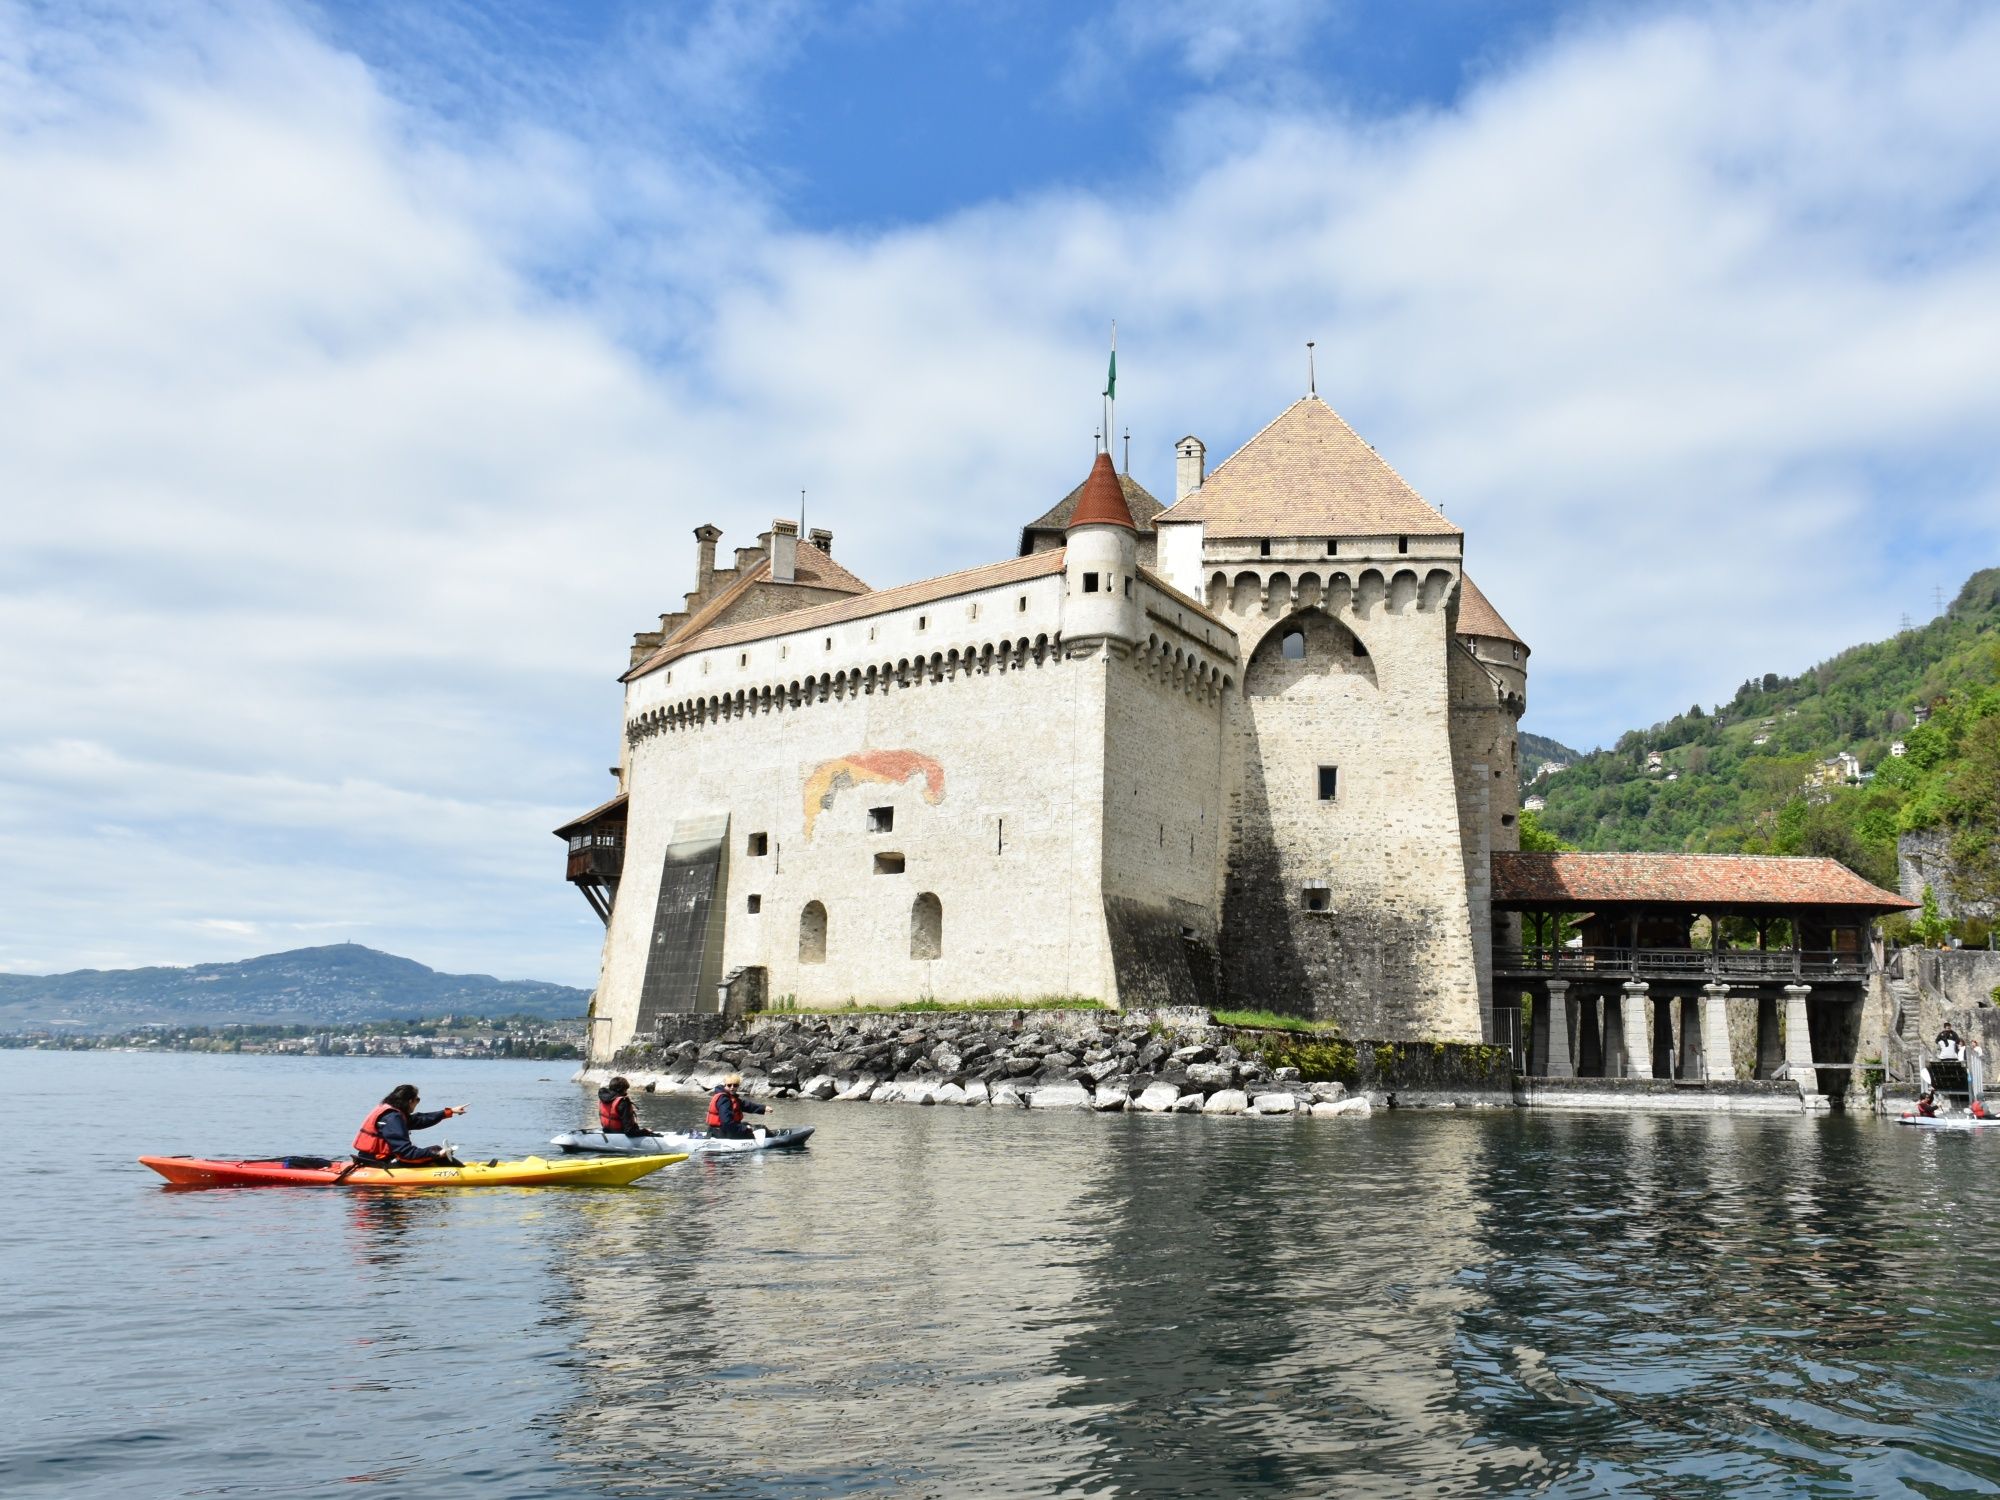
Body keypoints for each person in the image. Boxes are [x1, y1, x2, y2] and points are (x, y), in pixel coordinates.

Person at [353, 1084, 467, 1166]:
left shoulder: (392, 1113)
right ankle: (462, 1172)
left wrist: (449, 1111)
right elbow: (406, 1153)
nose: (418, 1102)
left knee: (436, 1151)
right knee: (436, 1151)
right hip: (380, 1162)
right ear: (409, 1101)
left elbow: (419, 1119)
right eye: (417, 1099)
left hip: (370, 1158)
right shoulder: (392, 1117)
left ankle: (461, 1168)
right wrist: (437, 1154)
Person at [706, 1074, 769, 1140]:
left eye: (735, 1085)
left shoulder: (729, 1097)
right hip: (723, 1133)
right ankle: (775, 1138)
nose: (732, 1087)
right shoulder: (724, 1099)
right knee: (761, 1128)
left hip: (716, 1131)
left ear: (738, 1086)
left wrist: (763, 1108)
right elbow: (726, 1122)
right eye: (729, 1085)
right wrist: (745, 1129)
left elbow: (746, 1105)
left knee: (746, 1124)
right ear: (725, 1085)